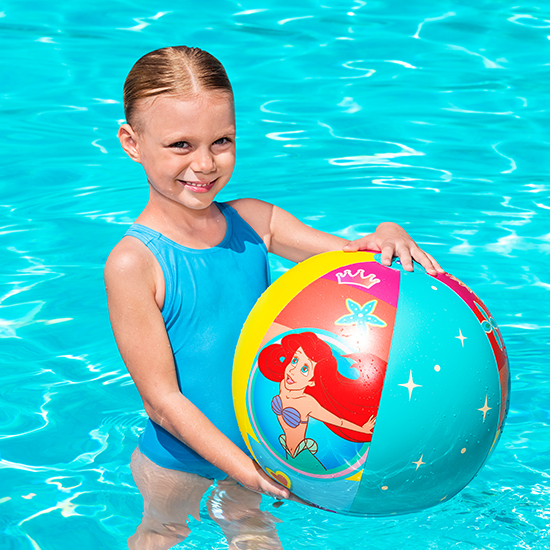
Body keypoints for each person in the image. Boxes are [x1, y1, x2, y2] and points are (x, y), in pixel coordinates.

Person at [104, 45, 444, 550]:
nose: (205, 164)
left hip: (262, 451)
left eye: (221, 141)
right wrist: (247, 471)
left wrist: (389, 232)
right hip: (179, 462)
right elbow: (162, 402)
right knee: (163, 533)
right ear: (132, 143)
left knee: (257, 536)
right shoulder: (134, 263)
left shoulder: (255, 222)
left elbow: (354, 262)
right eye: (181, 145)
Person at [258, 332, 383, 473]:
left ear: (312, 381)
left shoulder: (307, 403)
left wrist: (362, 429)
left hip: (303, 457)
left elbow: (339, 421)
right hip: (286, 450)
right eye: (295, 360)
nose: (293, 370)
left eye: (304, 369)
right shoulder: (283, 386)